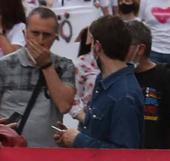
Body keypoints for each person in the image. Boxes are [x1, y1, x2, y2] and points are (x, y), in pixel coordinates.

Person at [0, 6, 77, 147]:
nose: (40, 40)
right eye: (35, 33)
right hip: (11, 153)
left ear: (55, 36)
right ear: (25, 33)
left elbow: (64, 105)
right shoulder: (4, 65)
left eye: (46, 35)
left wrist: (46, 66)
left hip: (47, 156)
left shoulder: (64, 66)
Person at [55, 14, 142, 149]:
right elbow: (97, 133)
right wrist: (70, 137)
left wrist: (78, 140)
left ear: (97, 46)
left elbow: (124, 155)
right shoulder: (103, 81)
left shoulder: (125, 95)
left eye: (91, 41)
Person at [125, 20, 170, 149]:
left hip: (159, 153)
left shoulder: (164, 75)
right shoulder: (121, 76)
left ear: (140, 49)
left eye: (125, 45)